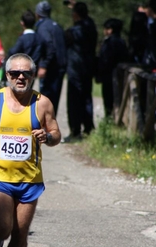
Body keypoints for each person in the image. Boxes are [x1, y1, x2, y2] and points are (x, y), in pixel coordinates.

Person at [0, 53, 61, 247]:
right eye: (15, 73)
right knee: (3, 228)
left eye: (26, 73)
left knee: (20, 234)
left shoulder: (42, 103)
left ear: (33, 76)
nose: (21, 77)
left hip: (30, 179)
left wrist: (47, 137)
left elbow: (56, 133)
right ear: (8, 75)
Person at [64, 1, 97, 142]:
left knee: (74, 101)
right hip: (88, 68)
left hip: (75, 69)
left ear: (76, 15)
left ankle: (75, 131)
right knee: (87, 98)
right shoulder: (91, 26)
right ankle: (89, 128)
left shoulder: (74, 32)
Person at [35, 0, 67, 116]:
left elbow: (50, 47)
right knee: (54, 99)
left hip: (50, 68)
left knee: (45, 99)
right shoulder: (57, 26)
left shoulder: (42, 27)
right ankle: (51, 126)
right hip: (60, 67)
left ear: (37, 14)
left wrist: (43, 65)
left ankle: (44, 128)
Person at [96, 18, 129, 118]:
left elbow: (105, 60)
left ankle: (110, 119)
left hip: (109, 76)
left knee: (109, 101)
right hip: (120, 76)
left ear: (110, 30)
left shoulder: (109, 42)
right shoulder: (122, 42)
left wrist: (99, 73)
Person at [5, 9, 41, 89]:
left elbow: (13, 52)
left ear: (22, 23)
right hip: (32, 69)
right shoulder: (39, 38)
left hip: (20, 69)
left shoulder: (22, 38)